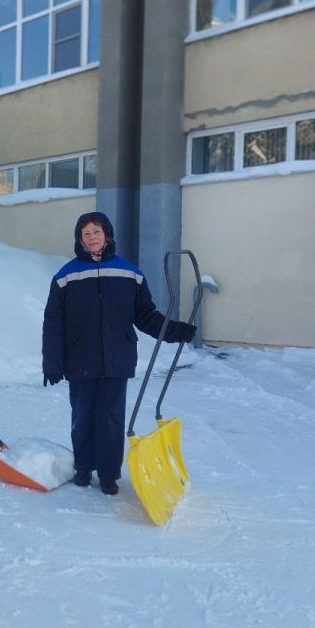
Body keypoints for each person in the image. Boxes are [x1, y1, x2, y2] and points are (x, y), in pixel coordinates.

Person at [42, 211, 196, 496]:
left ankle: (109, 473)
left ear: (107, 235)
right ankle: (84, 468)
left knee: (111, 418)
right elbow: (54, 324)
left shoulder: (129, 273)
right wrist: (52, 363)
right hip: (80, 359)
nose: (92, 237)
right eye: (86, 233)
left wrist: (175, 331)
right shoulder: (66, 276)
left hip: (117, 359)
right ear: (80, 240)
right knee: (82, 416)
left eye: (96, 232)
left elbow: (145, 315)